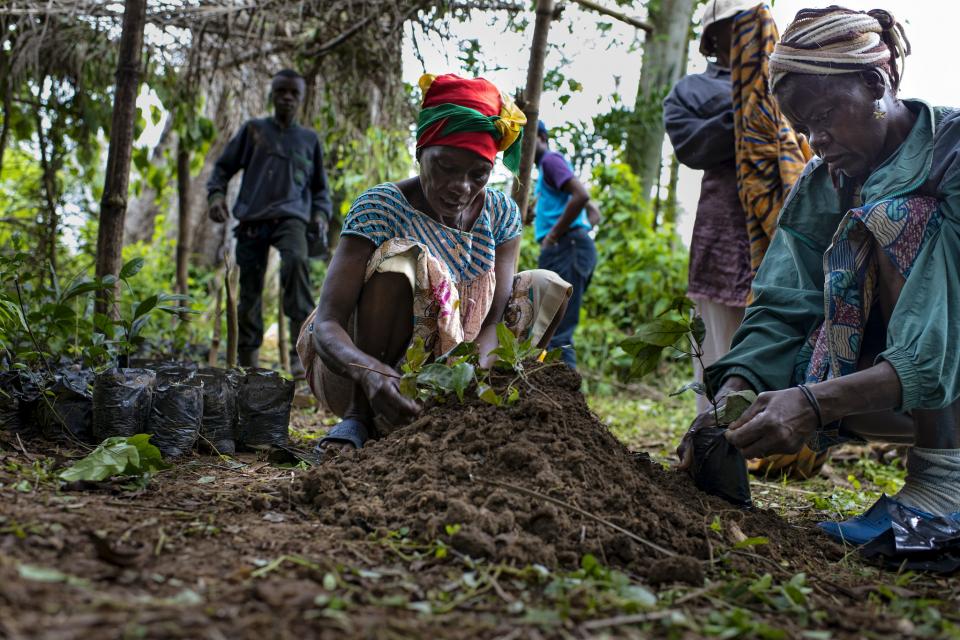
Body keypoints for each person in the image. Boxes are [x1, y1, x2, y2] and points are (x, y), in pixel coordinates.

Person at [679, 6, 960, 544]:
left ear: (879, 81)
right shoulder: (822, 180)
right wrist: (733, 397)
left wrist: (814, 404)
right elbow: (784, 299)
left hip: (945, 365)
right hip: (907, 386)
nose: (816, 140)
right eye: (804, 127)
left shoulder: (952, 148)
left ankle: (945, 481)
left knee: (897, 218)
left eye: (827, 115)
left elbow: (940, 332)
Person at [296, 74, 572, 451]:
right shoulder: (381, 206)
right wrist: (372, 375)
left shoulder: (502, 214)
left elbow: (494, 322)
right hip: (360, 375)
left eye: (478, 174)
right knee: (403, 261)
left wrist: (468, 380)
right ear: (420, 152)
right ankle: (358, 419)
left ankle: (461, 417)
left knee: (544, 285)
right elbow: (327, 324)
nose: (461, 186)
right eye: (445, 167)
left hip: (446, 377)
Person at [665, 0, 819, 478]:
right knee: (717, 341)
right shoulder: (690, 91)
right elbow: (692, 146)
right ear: (714, 38)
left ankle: (780, 446)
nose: (744, 36)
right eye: (734, 28)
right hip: (720, 225)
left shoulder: (787, 84)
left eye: (749, 27)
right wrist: (748, 105)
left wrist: (763, 98)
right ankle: (713, 444)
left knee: (776, 324)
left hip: (780, 221)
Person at [207, 69, 332, 373]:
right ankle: (248, 364)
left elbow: (320, 189)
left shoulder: (308, 139)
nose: (287, 98)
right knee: (249, 289)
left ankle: (301, 359)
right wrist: (216, 197)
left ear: (301, 99)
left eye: (293, 93)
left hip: (292, 218)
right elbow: (222, 169)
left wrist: (319, 215)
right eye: (281, 92)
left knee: (295, 266)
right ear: (272, 95)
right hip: (253, 218)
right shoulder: (254, 131)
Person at [533, 121, 599, 369]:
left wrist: (557, 236)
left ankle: (568, 403)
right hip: (572, 247)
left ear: (540, 136)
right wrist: (579, 233)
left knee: (556, 331)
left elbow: (582, 196)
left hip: (566, 248)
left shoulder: (550, 160)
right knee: (549, 328)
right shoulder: (546, 171)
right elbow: (594, 213)